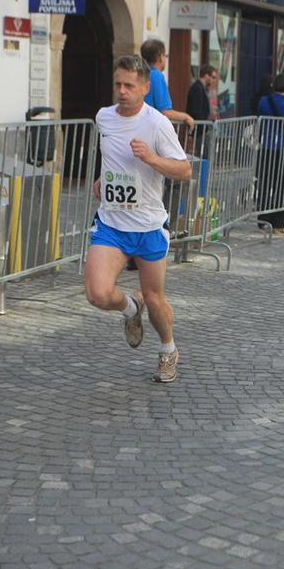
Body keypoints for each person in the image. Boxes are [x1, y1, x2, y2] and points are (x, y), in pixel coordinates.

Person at [84, 55, 191, 383]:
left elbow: (184, 170)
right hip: (112, 222)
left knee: (155, 299)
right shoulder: (103, 117)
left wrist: (152, 158)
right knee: (98, 293)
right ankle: (131, 309)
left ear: (145, 87)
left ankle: (168, 349)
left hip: (148, 226)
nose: (122, 91)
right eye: (118, 84)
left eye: (129, 85)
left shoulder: (157, 124)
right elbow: (112, 156)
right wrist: (103, 179)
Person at [256, 73, 284, 234]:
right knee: (282, 184)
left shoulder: (264, 101)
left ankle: (263, 220)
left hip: (267, 147)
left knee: (265, 183)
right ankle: (279, 223)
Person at [140, 39, 194, 129]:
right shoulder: (157, 76)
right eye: (165, 55)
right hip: (151, 129)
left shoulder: (140, 74)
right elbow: (165, 111)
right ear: (161, 57)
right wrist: (186, 117)